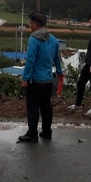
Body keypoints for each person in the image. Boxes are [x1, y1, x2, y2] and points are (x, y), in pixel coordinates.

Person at [18, 12, 64, 143]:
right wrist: (60, 72)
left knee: (32, 107)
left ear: (36, 24)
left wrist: (25, 78)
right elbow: (56, 58)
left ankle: (32, 134)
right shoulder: (54, 39)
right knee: (46, 107)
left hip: (36, 81)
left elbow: (30, 60)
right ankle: (47, 132)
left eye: (31, 23)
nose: (30, 26)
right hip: (48, 80)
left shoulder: (34, 39)